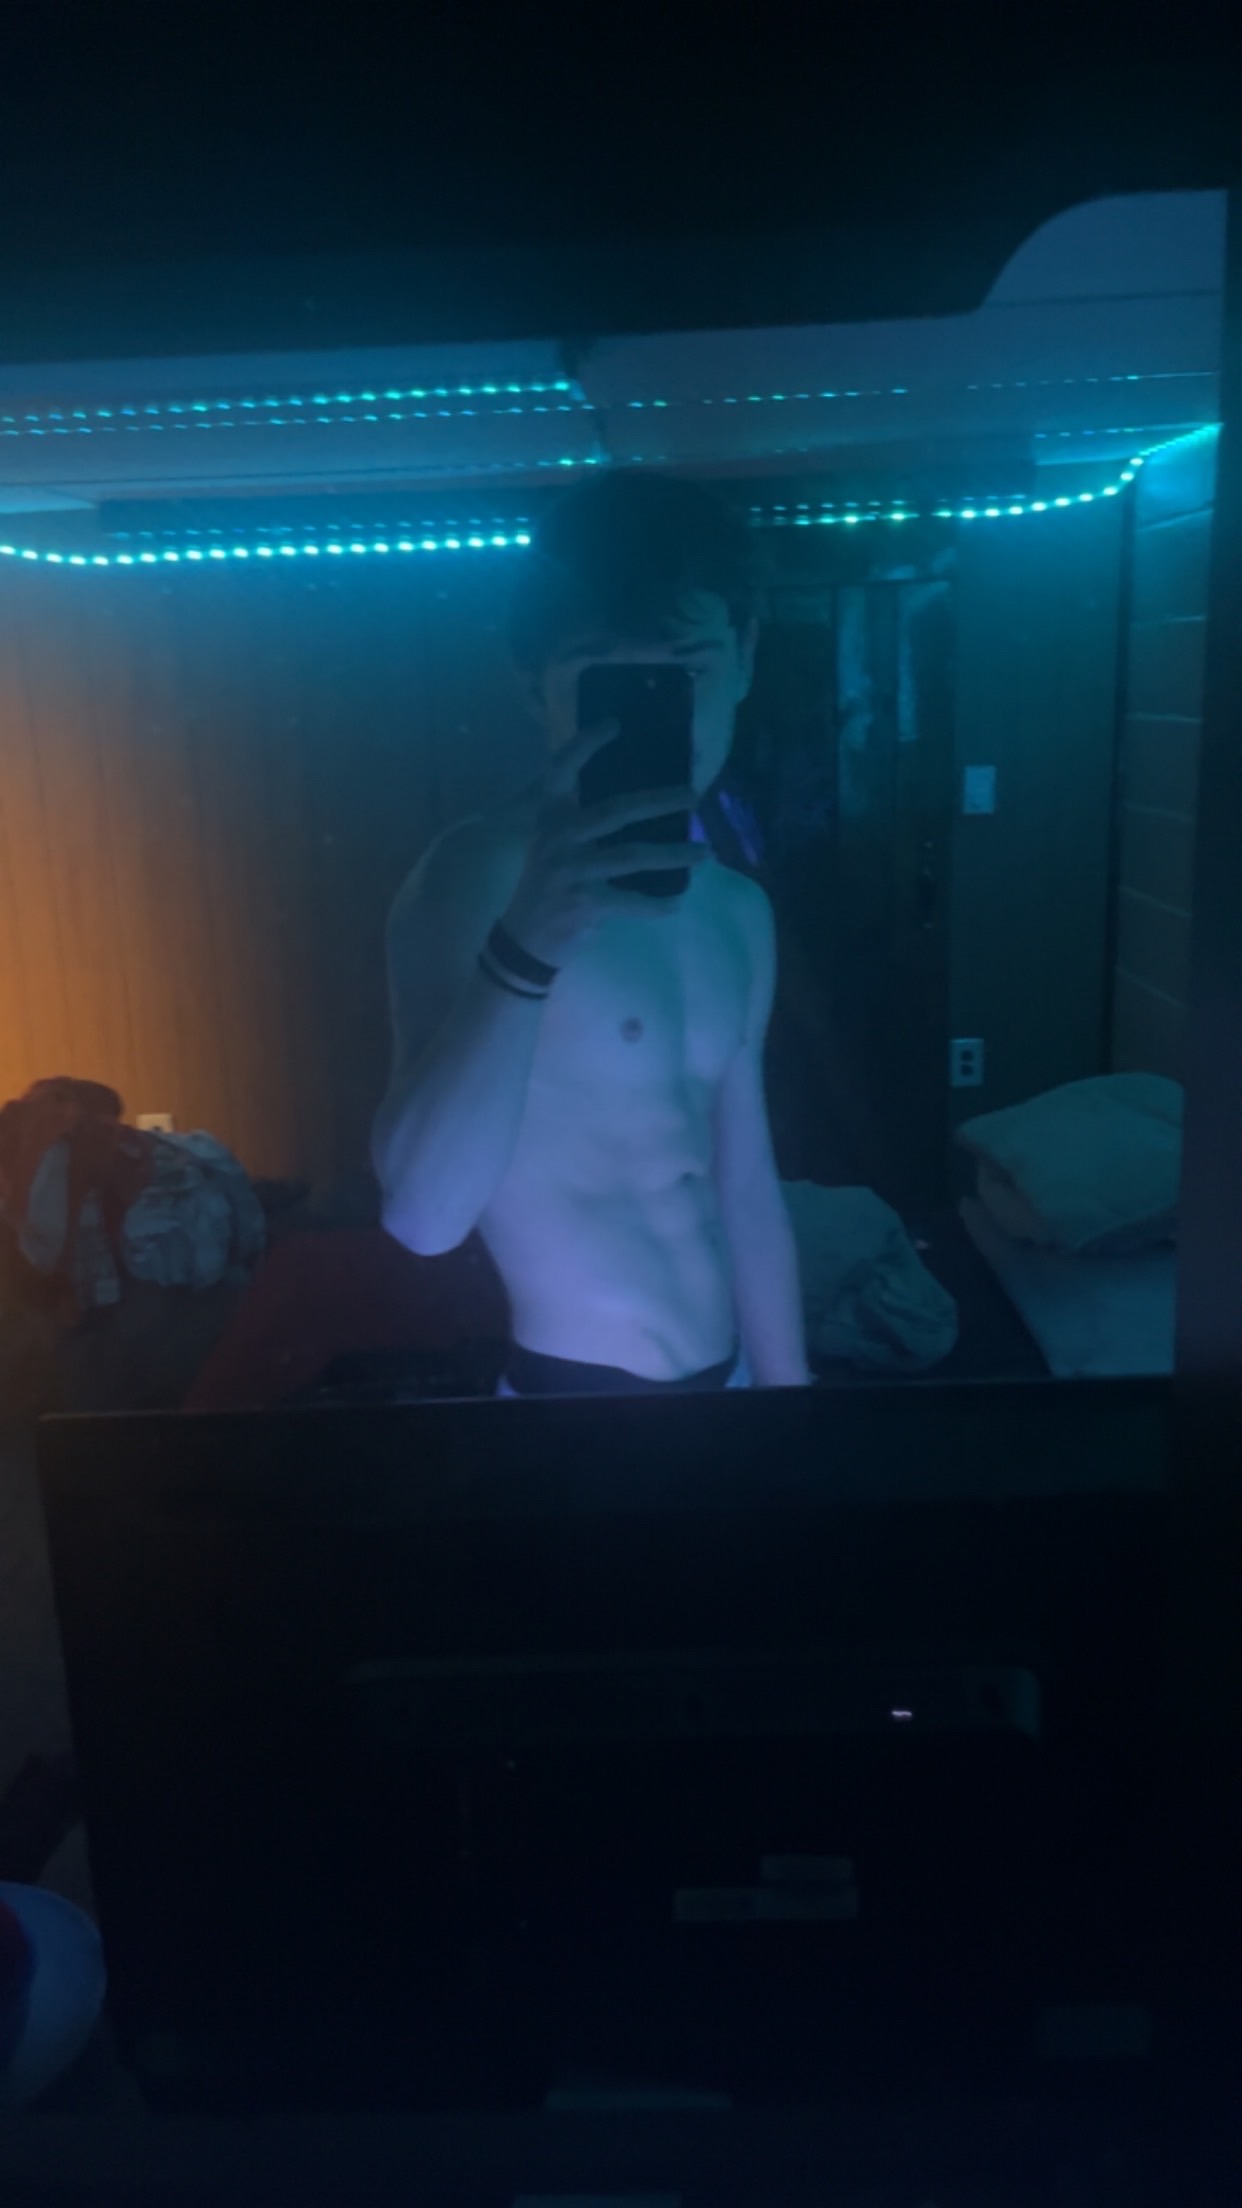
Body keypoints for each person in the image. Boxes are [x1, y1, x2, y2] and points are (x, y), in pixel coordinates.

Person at [372, 471, 810, 1395]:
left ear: (745, 659)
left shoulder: (739, 909)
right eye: (607, 678)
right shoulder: (477, 876)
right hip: (574, 1406)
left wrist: (789, 1397)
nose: (659, 711)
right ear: (536, 688)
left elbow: (744, 1185)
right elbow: (422, 1221)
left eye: (689, 669)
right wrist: (524, 951)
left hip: (729, 1389)